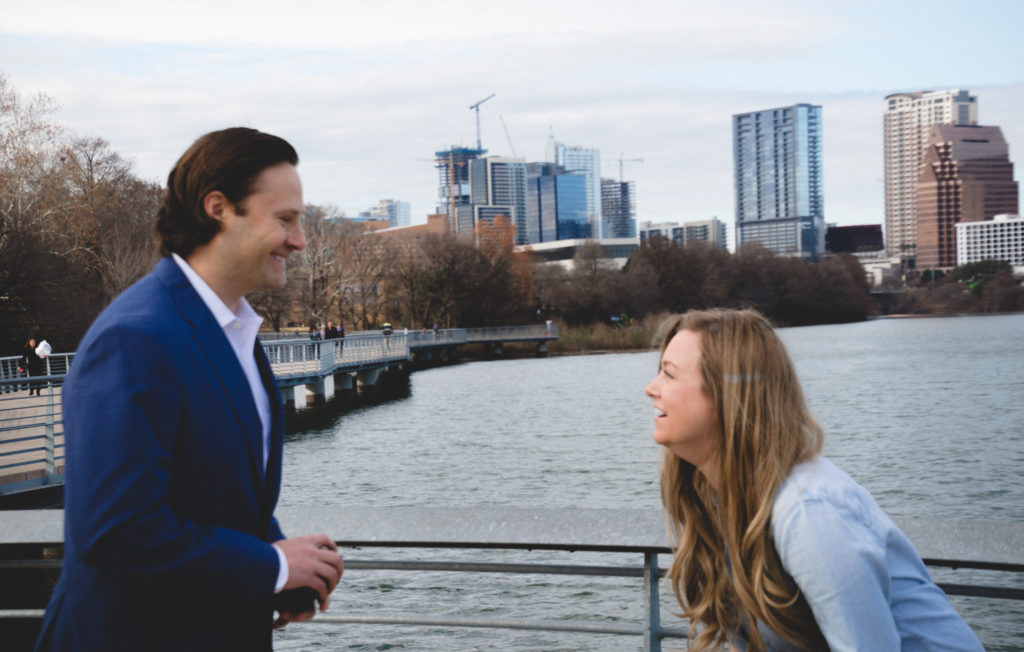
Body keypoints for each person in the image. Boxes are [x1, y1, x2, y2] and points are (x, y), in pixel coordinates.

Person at [35, 127, 344, 652]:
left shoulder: (231, 331)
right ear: (218, 208)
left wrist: (280, 572)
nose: (300, 240)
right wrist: (271, 565)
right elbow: (115, 531)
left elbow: (220, 497)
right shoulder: (135, 337)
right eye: (286, 219)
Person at [645, 308, 983, 651]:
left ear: (726, 397)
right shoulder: (718, 498)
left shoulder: (810, 514)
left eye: (669, 375)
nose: (650, 388)